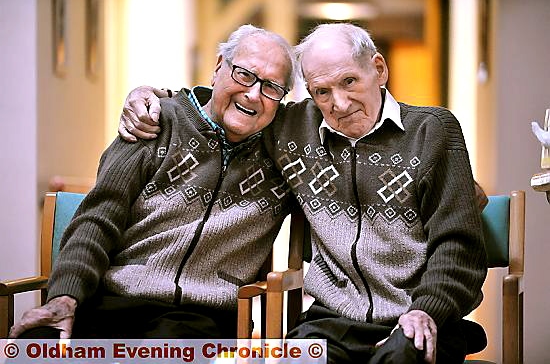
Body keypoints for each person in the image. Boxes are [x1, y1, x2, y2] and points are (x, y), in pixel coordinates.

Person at [119, 23, 488, 364]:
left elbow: (458, 242)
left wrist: (428, 309)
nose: (339, 105)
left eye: (349, 82)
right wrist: (157, 99)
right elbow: (224, 107)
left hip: (417, 315)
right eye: (322, 91)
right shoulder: (292, 129)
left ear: (378, 69)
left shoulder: (432, 129)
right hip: (331, 320)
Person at [9, 24, 298, 340]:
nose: (253, 94)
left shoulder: (287, 152)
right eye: (244, 74)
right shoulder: (154, 122)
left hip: (198, 317)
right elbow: (98, 218)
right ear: (218, 68)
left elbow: (338, 111)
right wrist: (64, 298)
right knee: (35, 346)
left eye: (271, 87)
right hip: (112, 300)